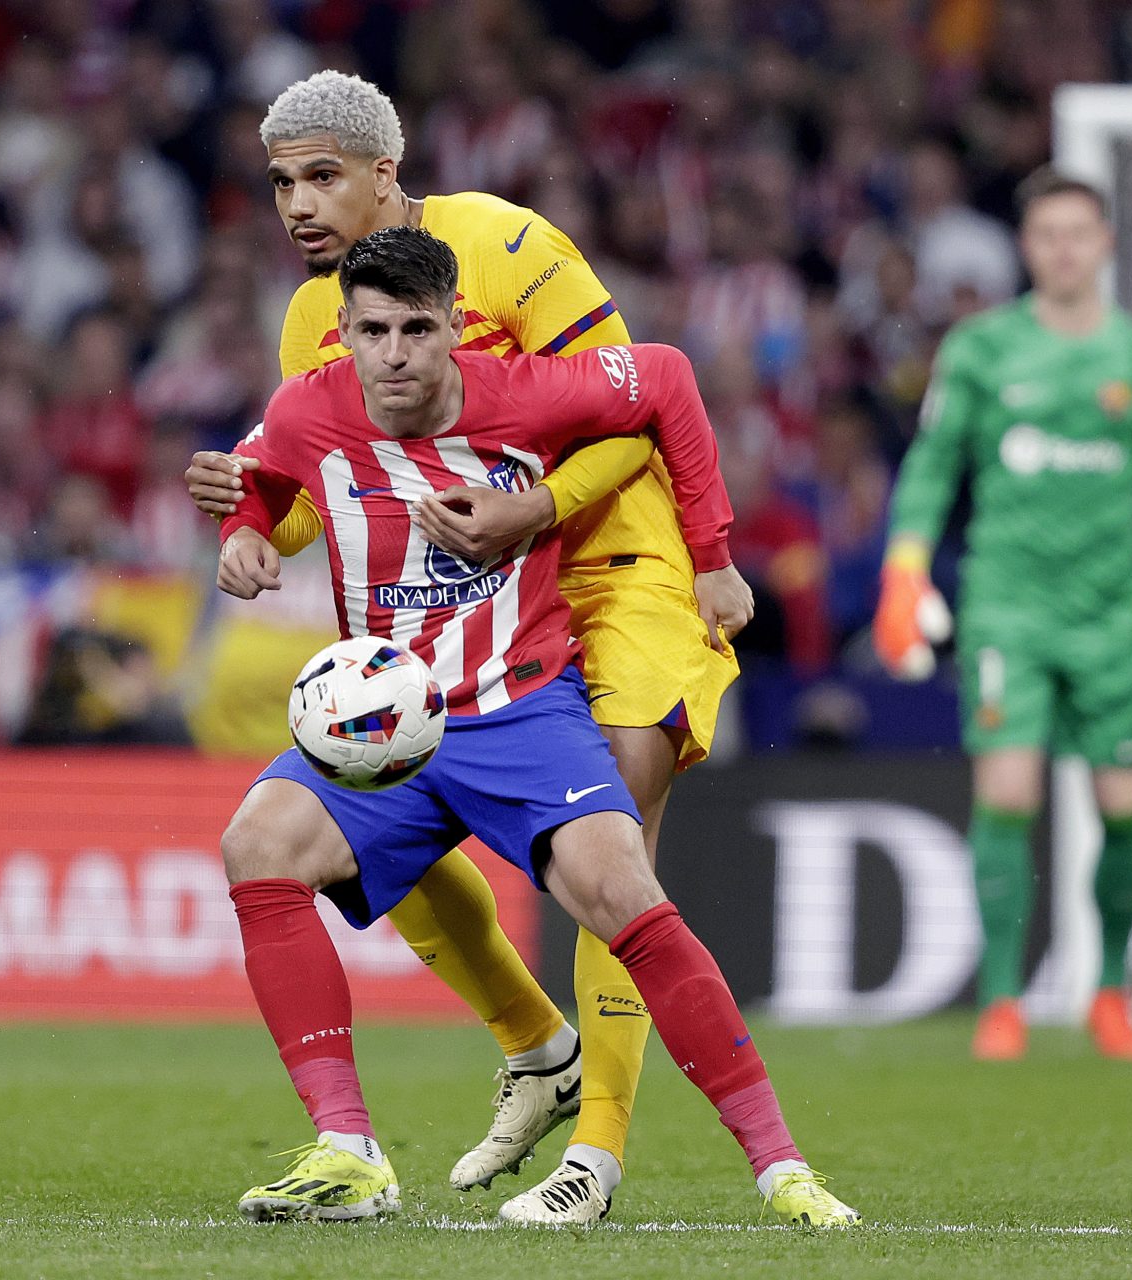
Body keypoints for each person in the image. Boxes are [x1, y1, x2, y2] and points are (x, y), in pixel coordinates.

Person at [218, 226, 860, 1230]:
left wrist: (715, 556)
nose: (392, 354)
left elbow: (666, 379)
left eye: (417, 330)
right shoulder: (309, 406)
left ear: (453, 330)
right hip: (386, 720)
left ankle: (781, 1164)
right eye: (372, 330)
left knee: (621, 890)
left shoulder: (523, 392)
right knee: (255, 843)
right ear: (340, 333)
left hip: (519, 705)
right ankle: (349, 1151)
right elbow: (257, 477)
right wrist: (243, 534)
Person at [184, 70, 739, 1222]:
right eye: (282, 182)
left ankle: (597, 1149)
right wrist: (245, 514)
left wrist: (534, 511)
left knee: (614, 828)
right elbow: (313, 489)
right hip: (455, 601)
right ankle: (538, 1046)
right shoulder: (309, 320)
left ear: (388, 174)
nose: (298, 204)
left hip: (610, 559)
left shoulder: (506, 240)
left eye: (324, 177)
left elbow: (639, 415)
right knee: (375, 789)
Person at [874, 168, 1132, 1062]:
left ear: (1105, 242)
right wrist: (906, 570)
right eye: (1047, 235)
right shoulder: (983, 349)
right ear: (1026, 248)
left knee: (1127, 810)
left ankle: (1109, 989)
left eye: (1079, 233)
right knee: (1009, 793)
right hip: (1008, 607)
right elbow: (932, 464)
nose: (1064, 250)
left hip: (1108, 615)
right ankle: (1001, 1002)